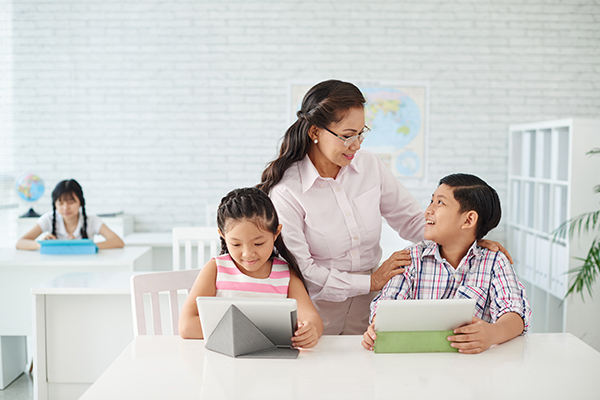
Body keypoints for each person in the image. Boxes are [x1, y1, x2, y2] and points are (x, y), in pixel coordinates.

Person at [257, 79, 511, 335]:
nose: (357, 145)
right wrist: (371, 281)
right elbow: (304, 270)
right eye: (347, 136)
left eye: (361, 133)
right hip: (316, 316)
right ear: (315, 132)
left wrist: (468, 240)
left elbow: (412, 221)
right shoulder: (287, 192)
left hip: (369, 309)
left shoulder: (368, 165)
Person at [362, 174, 531, 354]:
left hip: (473, 367)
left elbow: (515, 313)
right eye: (431, 201)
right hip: (416, 366)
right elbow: (387, 305)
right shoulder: (411, 258)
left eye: (440, 203)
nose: (428, 211)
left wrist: (491, 333)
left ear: (468, 220)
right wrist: (376, 326)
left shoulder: (495, 262)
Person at [179, 187, 323, 348]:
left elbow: (312, 318)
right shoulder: (216, 269)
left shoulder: (285, 274)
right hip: (224, 364)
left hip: (274, 365)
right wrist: (252, 331)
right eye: (236, 244)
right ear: (222, 236)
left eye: (258, 243)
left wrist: (311, 331)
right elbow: (186, 326)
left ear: (276, 233)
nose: (248, 254)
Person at [16, 179, 124, 250]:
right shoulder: (48, 219)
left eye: (71, 202)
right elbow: (20, 242)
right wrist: (43, 245)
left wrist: (84, 246)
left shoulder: (92, 220)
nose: (65, 208)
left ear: (80, 202)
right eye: (61, 203)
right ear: (55, 204)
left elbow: (118, 241)